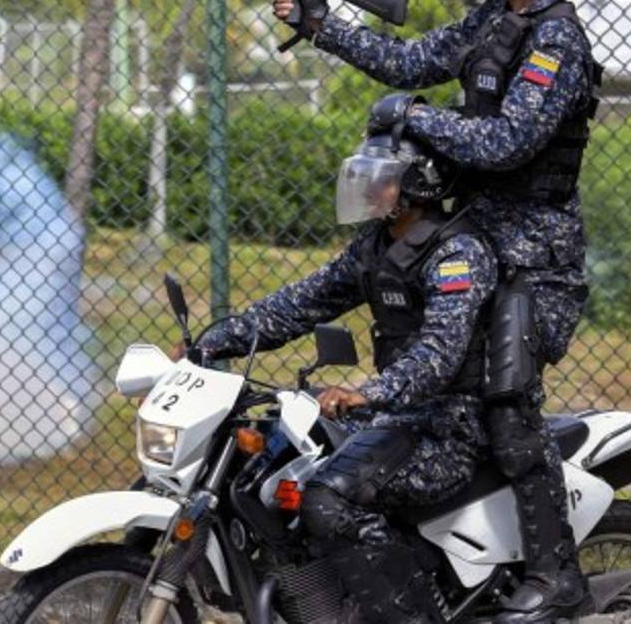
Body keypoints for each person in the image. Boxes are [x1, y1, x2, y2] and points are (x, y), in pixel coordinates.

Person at [270, 0, 600, 623]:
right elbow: (412, 59)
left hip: (536, 263)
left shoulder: (556, 41)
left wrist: (418, 117)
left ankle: (558, 574)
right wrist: (320, 24)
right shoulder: (495, 18)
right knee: (425, 394)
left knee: (508, 405)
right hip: (482, 238)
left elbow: (507, 142)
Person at [186, 124, 495, 623]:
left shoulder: (457, 255)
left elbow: (440, 352)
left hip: (454, 426)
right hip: (396, 421)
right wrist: (213, 341)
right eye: (365, 176)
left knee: (328, 499)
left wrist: (367, 392)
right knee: (272, 462)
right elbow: (303, 301)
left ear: (421, 184)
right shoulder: (375, 247)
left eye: (382, 178)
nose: (368, 188)